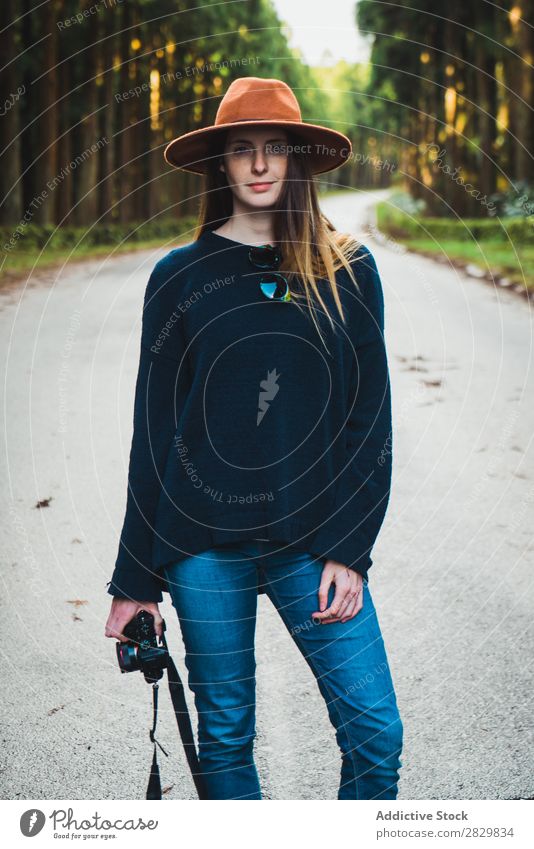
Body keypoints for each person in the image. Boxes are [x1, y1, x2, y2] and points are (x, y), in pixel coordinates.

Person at [104, 77, 403, 800]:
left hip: (312, 538)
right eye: (244, 149)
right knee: (227, 738)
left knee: (376, 733)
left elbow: (371, 421)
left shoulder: (348, 270)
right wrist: (132, 582)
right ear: (222, 164)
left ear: (298, 160)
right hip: (200, 544)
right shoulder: (178, 277)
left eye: (276, 148)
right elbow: (155, 434)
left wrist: (350, 549)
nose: (261, 164)